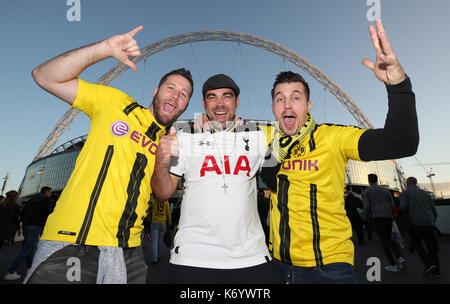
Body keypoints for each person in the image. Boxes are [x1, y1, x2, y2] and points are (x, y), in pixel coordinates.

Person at [24, 26, 194, 284]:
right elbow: (44, 76)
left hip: (130, 253)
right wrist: (103, 49)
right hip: (73, 242)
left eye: (184, 94)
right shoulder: (116, 104)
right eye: (170, 88)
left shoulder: (173, 143)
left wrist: (162, 161)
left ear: (186, 105)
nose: (176, 96)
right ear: (155, 91)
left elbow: (162, 193)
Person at [261, 19, 418, 283]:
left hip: (329, 269)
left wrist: (398, 84)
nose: (288, 104)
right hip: (278, 267)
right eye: (280, 98)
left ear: (308, 105)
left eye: (296, 97)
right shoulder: (265, 138)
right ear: (273, 108)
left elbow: (401, 142)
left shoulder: (333, 137)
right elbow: (211, 132)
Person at [151, 74, 282, 284]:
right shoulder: (186, 135)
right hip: (192, 258)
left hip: (251, 257)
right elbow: (162, 193)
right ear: (204, 104)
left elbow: (279, 179)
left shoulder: (257, 136)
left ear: (237, 101)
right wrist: (160, 162)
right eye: (212, 97)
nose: (220, 104)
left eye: (226, 96)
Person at [4, 187, 52, 281]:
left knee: (31, 247)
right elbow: (47, 212)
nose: (50, 194)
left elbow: (23, 212)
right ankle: (11, 271)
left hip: (27, 225)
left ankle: (29, 268)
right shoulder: (46, 199)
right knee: (27, 249)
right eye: (50, 192)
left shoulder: (32, 198)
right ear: (46, 192)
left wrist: (24, 223)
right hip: (36, 225)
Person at [363, 174, 405, 272]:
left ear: (369, 180)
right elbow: (392, 204)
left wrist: (365, 217)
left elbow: (366, 206)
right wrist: (392, 215)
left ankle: (393, 264)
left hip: (377, 217)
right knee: (390, 238)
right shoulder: (385, 190)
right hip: (388, 217)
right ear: (377, 180)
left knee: (384, 241)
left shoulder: (367, 191)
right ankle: (400, 257)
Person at [400, 176, 440, 277]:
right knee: (431, 246)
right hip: (429, 222)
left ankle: (428, 264)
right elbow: (433, 209)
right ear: (416, 183)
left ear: (408, 183)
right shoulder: (425, 193)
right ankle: (437, 272)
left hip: (416, 222)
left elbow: (403, 207)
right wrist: (433, 221)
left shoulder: (406, 192)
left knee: (417, 243)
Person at [149, 195, 172, 264]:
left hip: (154, 222)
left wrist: (148, 219)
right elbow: (168, 212)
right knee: (160, 241)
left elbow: (150, 212)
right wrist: (170, 222)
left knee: (154, 242)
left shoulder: (153, 202)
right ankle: (159, 255)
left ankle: (154, 259)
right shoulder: (166, 202)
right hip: (162, 223)